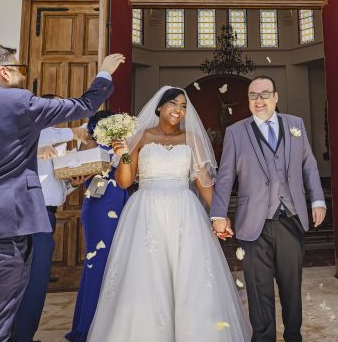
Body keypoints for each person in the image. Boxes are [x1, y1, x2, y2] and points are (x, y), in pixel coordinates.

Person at [0, 44, 121, 341]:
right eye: (19, 67)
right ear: (3, 72)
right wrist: (104, 72)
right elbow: (85, 105)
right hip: (4, 231)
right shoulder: (20, 104)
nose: (23, 73)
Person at [87, 87, 250, 341]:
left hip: (184, 211)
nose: (178, 110)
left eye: (183, 106)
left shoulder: (192, 139)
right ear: (159, 107)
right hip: (145, 212)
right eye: (173, 104)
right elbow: (124, 182)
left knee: (190, 276)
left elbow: (204, 183)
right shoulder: (140, 136)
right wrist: (125, 157)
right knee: (145, 276)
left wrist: (220, 215)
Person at [210, 75, 326, 342]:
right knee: (257, 287)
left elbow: (308, 166)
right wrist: (218, 214)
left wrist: (317, 200)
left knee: (291, 286)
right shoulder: (236, 131)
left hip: (291, 217)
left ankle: (293, 336)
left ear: (276, 97)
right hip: (253, 222)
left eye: (264, 94)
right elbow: (225, 175)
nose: (259, 100)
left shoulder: (295, 125)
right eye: (253, 95)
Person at [11, 111, 91, 342]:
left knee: (36, 280)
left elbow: (58, 190)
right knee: (32, 280)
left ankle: (21, 335)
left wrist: (72, 184)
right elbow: (43, 134)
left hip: (47, 215)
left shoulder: (59, 145)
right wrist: (74, 132)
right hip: (29, 215)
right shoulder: (31, 136)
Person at [66, 110, 130, 342]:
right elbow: (75, 172)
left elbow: (129, 172)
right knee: (97, 263)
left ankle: (115, 325)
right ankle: (88, 326)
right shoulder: (85, 146)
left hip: (123, 204)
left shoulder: (121, 145)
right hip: (98, 207)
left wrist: (123, 152)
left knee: (119, 263)